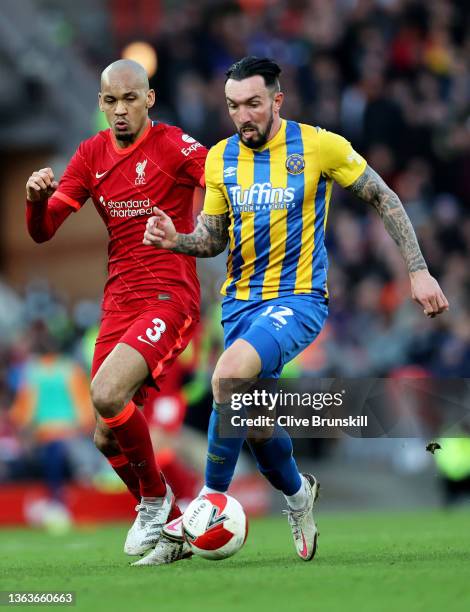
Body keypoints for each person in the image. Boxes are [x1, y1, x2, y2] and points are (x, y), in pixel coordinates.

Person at [138, 56, 449, 566]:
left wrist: (417, 270)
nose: (244, 116)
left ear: (277, 101)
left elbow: (383, 196)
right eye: (234, 106)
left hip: (298, 298)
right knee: (254, 419)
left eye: (254, 104)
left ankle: (204, 506)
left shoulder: (319, 145)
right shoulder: (220, 159)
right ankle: (298, 494)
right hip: (239, 305)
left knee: (228, 376)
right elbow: (213, 238)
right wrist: (178, 240)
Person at [25, 59, 208, 556]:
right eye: (111, 101)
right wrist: (36, 202)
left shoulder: (174, 145)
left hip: (169, 296)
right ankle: (172, 529)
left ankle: (153, 503)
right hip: (118, 303)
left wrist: (210, 233)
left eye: (130, 98)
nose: (120, 109)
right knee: (106, 437)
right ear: (101, 104)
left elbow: (223, 180)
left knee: (106, 393)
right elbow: (44, 231)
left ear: (149, 99)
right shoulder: (90, 155)